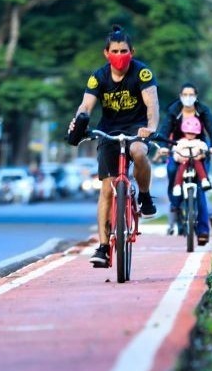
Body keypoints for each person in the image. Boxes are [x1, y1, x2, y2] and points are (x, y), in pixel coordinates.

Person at [67, 24, 160, 267]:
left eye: (124, 51)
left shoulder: (142, 74)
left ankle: (146, 196)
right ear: (106, 53)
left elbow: (152, 105)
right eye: (115, 51)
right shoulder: (98, 77)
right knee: (107, 190)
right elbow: (86, 105)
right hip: (108, 130)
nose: (120, 56)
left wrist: (150, 127)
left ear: (132, 51)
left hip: (136, 127)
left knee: (139, 151)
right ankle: (103, 247)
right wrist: (79, 122)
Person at [156, 82, 212, 244]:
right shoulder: (174, 111)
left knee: (200, 191)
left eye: (191, 94)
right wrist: (164, 147)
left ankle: (203, 231)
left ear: (196, 96)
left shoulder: (203, 110)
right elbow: (164, 130)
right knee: (171, 170)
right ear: (180, 96)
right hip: (178, 149)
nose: (188, 97)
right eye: (184, 94)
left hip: (199, 152)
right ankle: (175, 203)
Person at [171, 117, 212, 195]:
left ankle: (204, 180)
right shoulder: (180, 142)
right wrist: (178, 158)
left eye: (193, 133)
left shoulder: (198, 142)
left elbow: (204, 149)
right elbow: (175, 151)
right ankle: (177, 186)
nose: (190, 135)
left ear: (197, 133)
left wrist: (202, 155)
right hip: (183, 161)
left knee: (199, 164)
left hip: (195, 161)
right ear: (184, 132)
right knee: (180, 169)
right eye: (188, 133)